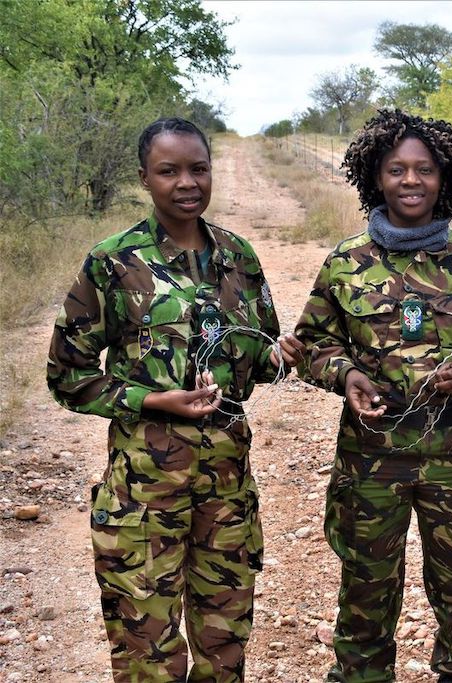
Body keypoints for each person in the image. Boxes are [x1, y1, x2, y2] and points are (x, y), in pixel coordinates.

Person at [47, 117, 302, 682]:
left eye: (198, 169)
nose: (187, 183)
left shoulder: (239, 256)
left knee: (225, 643)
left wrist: (282, 355)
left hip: (227, 488)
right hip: (144, 490)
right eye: (169, 171)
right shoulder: (114, 262)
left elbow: (256, 356)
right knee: (147, 653)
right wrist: (154, 400)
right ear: (145, 178)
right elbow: (69, 375)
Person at [294, 109, 452, 683]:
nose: (411, 181)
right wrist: (345, 375)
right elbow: (313, 343)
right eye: (397, 170)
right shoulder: (346, 263)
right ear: (376, 177)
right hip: (371, 459)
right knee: (366, 588)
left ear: (445, 179)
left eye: (425, 170)